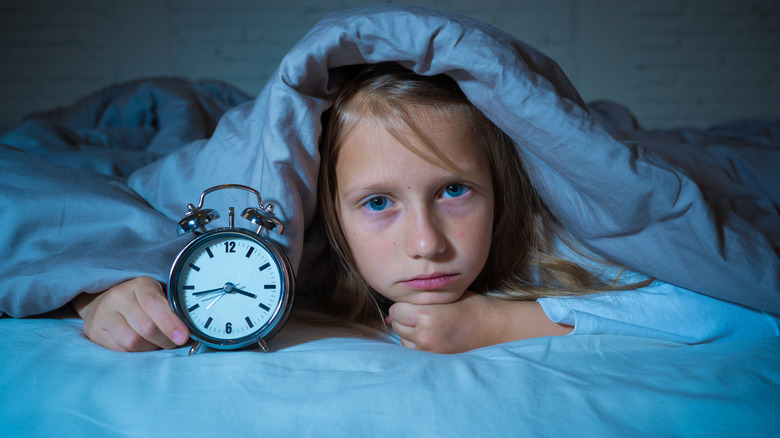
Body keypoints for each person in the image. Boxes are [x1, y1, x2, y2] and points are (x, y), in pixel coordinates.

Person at [70, 62, 651, 353]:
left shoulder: (535, 232)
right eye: (378, 202)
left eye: (453, 190)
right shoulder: (296, 239)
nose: (427, 244)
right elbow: (83, 224)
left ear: (499, 186)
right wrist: (97, 291)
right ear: (328, 209)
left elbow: (715, 300)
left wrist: (502, 322)